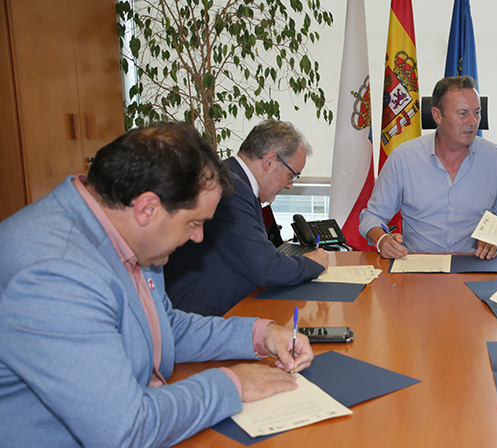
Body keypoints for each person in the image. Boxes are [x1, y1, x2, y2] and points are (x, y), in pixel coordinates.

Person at [0, 123, 316, 447]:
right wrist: (234, 384)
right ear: (147, 209)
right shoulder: (55, 275)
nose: (199, 238)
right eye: (193, 224)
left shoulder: (133, 240)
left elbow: (166, 329)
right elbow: (125, 430)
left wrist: (260, 334)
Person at [165, 120, 328, 316]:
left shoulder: (233, 178)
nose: (290, 185)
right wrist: (312, 263)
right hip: (202, 318)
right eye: (291, 175)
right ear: (269, 161)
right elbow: (265, 267)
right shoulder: (231, 187)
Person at [359, 75, 497, 260]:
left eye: (476, 112)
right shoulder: (404, 158)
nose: (472, 122)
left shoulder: (495, 159)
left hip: (477, 266)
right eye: (463, 113)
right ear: (437, 115)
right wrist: (381, 239)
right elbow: (371, 216)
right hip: (417, 267)